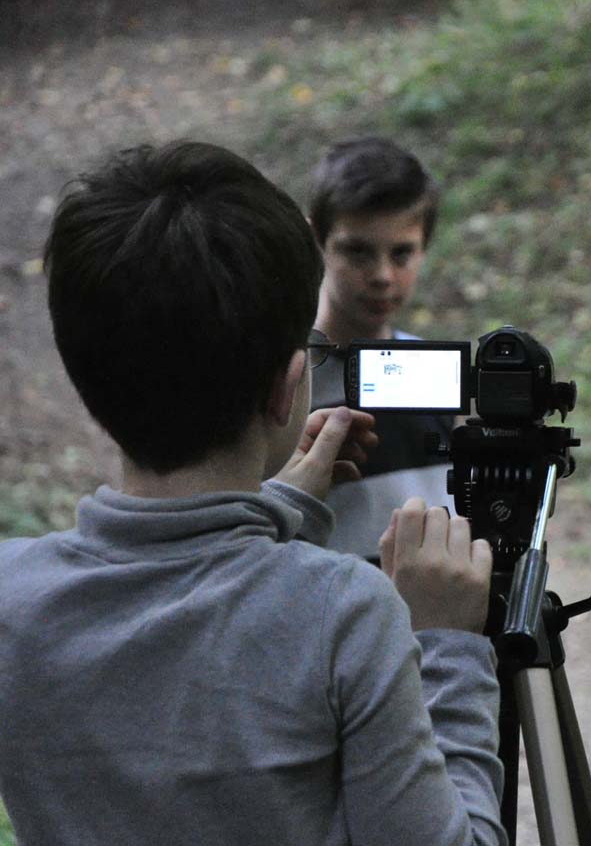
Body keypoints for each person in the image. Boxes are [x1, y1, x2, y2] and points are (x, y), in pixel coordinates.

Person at [0, 141, 506, 846]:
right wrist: (447, 644)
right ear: (287, 387)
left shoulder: (13, 599)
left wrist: (284, 504)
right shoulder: (347, 616)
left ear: (86, 383)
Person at [307, 136, 454, 561]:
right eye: (358, 251)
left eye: (402, 253)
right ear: (316, 239)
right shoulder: (284, 382)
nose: (382, 276)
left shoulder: (438, 375)